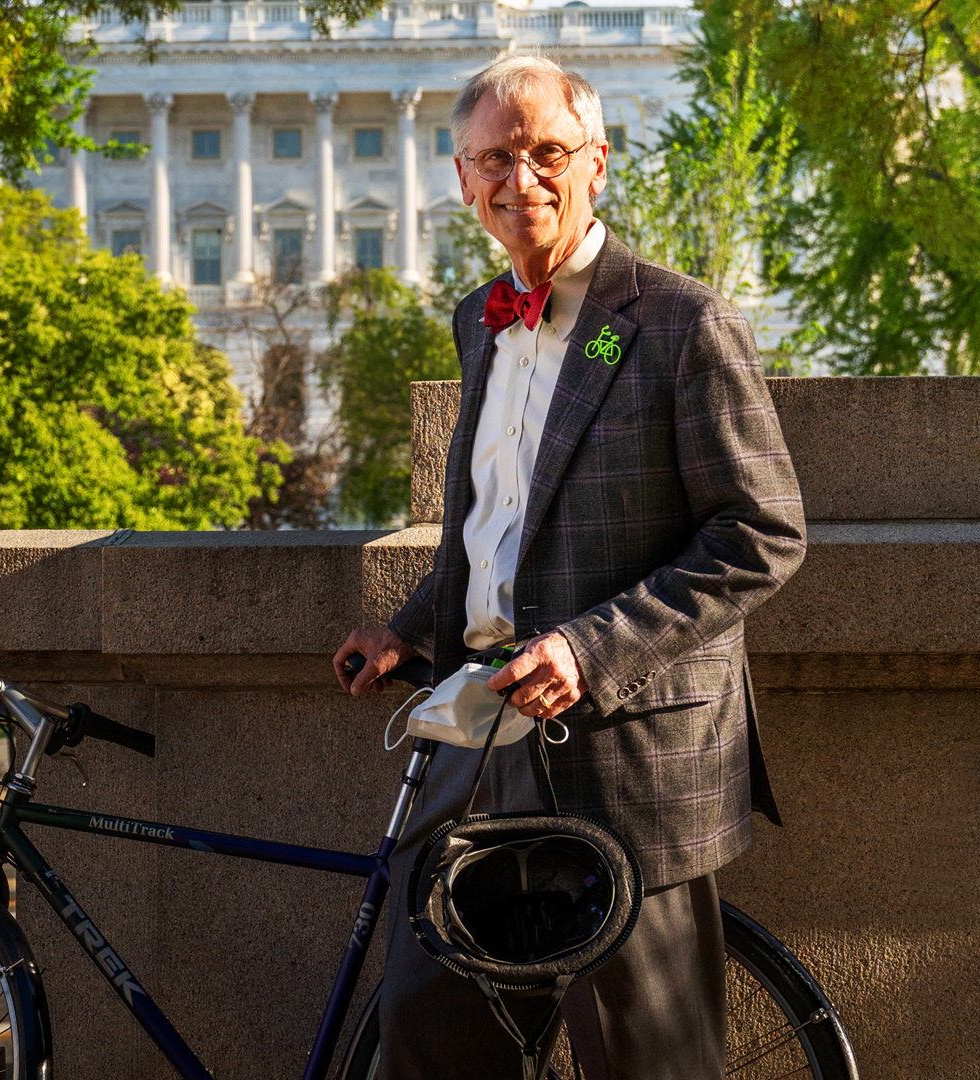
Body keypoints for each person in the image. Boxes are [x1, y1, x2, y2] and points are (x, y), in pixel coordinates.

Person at [332, 55, 807, 1079]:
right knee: (429, 1037)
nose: (523, 179)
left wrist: (590, 651)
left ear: (598, 162)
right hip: (480, 735)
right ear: (464, 180)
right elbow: (498, 531)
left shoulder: (683, 322)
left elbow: (759, 534)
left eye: (548, 152)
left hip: (630, 761)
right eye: (496, 158)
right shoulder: (477, 322)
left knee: (647, 1060)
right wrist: (410, 631)